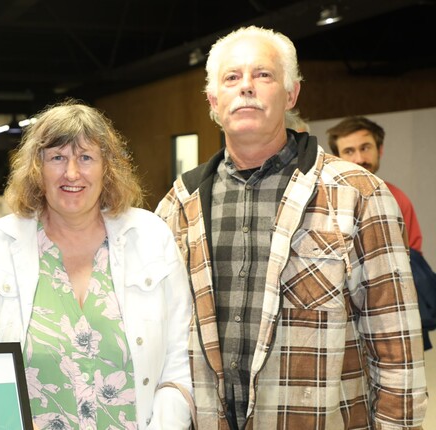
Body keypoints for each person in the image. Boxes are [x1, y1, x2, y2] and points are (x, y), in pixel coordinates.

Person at [155, 26, 427, 429]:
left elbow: (396, 344)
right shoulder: (178, 205)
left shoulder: (357, 193)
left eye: (263, 75)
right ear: (213, 100)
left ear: (291, 93)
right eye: (232, 77)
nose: (246, 86)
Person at [0, 100, 193, 429]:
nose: (72, 172)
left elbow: (178, 363)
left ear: (107, 167)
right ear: (37, 169)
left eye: (86, 157)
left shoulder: (151, 239)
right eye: (57, 157)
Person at [326, 116, 423, 253]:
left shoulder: (398, 198)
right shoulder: (324, 200)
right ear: (337, 157)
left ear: (380, 150)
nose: (359, 159)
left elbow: (413, 258)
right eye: (349, 151)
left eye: (365, 148)